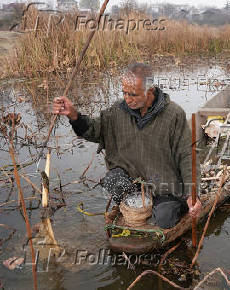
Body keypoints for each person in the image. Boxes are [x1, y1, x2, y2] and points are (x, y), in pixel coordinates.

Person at [52, 62, 201, 229]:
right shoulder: (117, 111)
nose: (127, 99)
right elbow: (93, 130)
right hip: (133, 182)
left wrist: (192, 194)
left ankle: (166, 206)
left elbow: (187, 155)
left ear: (149, 90)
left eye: (133, 95)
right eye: (124, 93)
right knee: (112, 180)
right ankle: (136, 204)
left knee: (165, 219)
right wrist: (73, 115)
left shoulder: (174, 114)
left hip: (164, 185)